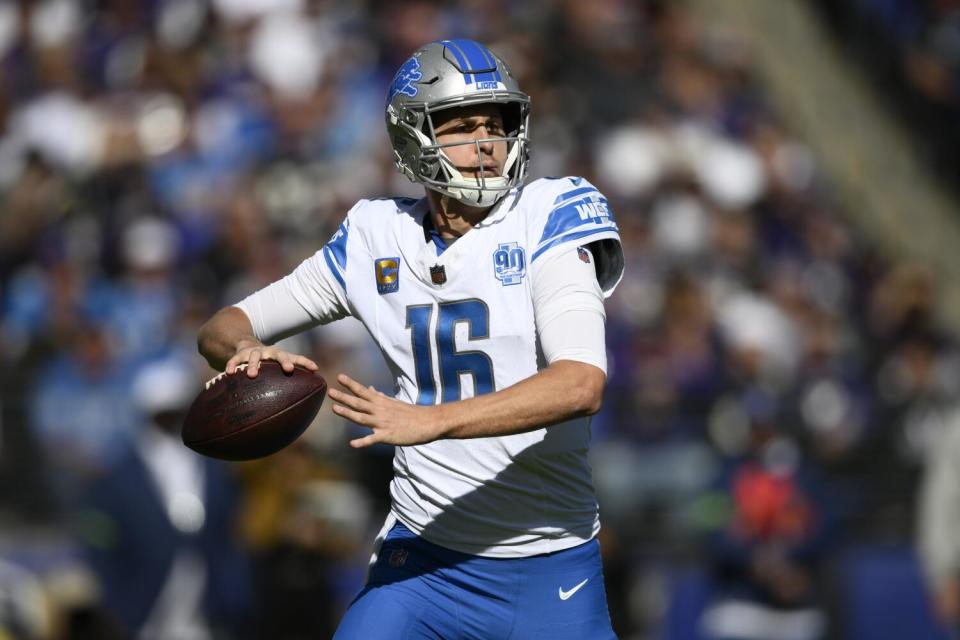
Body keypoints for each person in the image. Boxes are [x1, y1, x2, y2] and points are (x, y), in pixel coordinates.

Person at [198, 38, 624, 639]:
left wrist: (434, 420)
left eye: (494, 125)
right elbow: (223, 325)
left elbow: (581, 383)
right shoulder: (377, 233)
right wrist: (246, 352)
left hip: (547, 564)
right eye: (461, 127)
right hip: (423, 564)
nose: (485, 144)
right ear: (412, 138)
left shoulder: (550, 214)